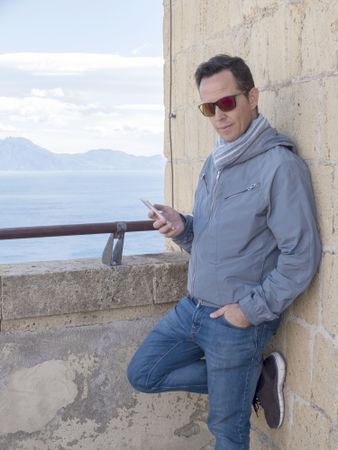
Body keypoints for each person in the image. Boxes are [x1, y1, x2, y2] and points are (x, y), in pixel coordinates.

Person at [128, 54, 321, 449]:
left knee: (228, 432)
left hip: (236, 320)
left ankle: (244, 374)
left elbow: (301, 256)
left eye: (227, 102)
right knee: (143, 374)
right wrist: (183, 228)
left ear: (253, 97)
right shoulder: (215, 163)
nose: (218, 115)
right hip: (192, 308)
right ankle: (254, 376)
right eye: (208, 107)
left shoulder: (279, 167)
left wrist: (247, 312)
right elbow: (211, 237)